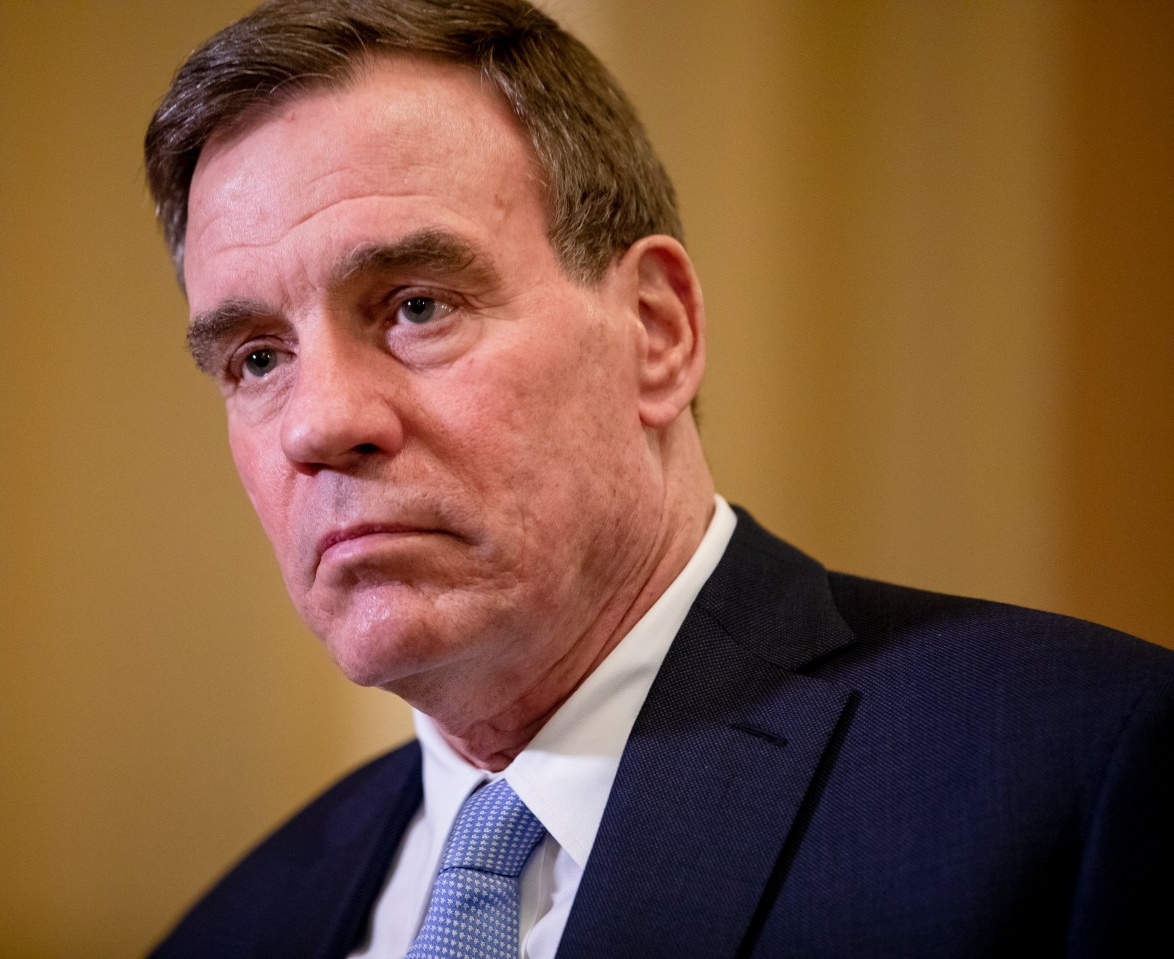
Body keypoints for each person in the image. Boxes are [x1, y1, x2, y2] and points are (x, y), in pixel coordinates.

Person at [142, 1, 1173, 956]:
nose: (321, 423)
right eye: (257, 358)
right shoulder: (236, 926)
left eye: (417, 306)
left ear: (655, 330)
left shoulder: (1080, 774)